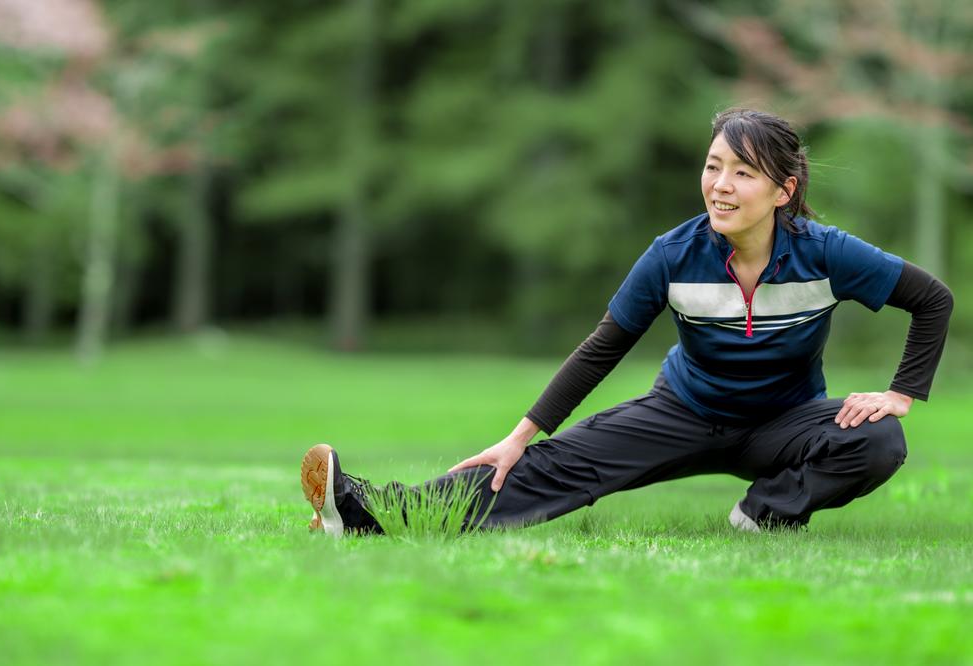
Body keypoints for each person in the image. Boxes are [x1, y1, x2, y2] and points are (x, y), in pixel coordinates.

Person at [300, 107, 953, 537]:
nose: (720, 185)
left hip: (783, 425)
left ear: (783, 191)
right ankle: (366, 514)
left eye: (743, 173)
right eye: (712, 166)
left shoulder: (826, 252)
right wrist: (520, 434)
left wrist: (900, 393)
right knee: (540, 471)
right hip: (683, 413)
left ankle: (764, 516)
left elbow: (931, 300)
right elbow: (602, 348)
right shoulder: (674, 255)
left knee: (879, 441)